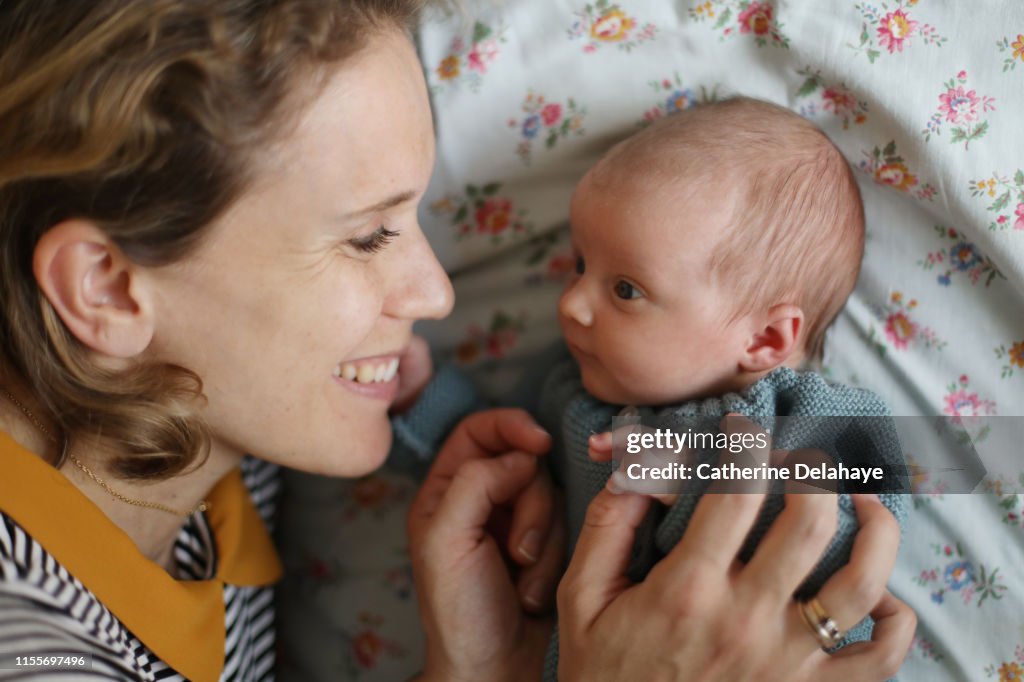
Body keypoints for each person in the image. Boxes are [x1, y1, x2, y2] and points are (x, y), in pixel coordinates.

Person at [0, 1, 913, 680]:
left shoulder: (200, 430)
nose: (437, 291)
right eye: (367, 236)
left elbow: (879, 456)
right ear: (108, 289)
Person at [538, 97, 908, 675]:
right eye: (581, 264)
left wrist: (692, 476)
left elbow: (855, 524)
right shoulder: (572, 391)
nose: (570, 303)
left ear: (764, 339)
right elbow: (510, 455)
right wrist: (420, 401)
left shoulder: (809, 417)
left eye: (626, 290)